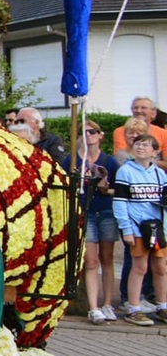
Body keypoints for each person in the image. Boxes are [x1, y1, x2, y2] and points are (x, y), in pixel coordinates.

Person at [64, 123, 121, 323]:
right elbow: (64, 185)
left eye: (92, 132)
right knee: (90, 260)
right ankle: (93, 306)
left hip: (105, 210)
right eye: (84, 132)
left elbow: (119, 188)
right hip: (84, 212)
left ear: (100, 135)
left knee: (107, 257)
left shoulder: (110, 161)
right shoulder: (71, 160)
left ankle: (107, 303)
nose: (88, 135)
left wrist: (106, 187)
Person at [115, 131, 167, 325]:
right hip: (136, 227)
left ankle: (162, 306)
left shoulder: (159, 173)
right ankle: (133, 308)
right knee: (140, 266)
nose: (140, 147)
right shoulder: (125, 171)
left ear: (155, 152)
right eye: (137, 144)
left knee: (160, 267)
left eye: (145, 145)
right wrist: (126, 229)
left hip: (157, 227)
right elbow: (120, 202)